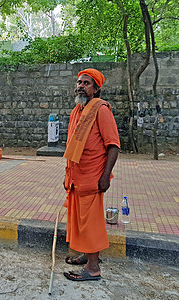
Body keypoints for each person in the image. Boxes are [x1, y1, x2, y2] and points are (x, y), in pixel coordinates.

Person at [62, 69, 120, 281]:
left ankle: (93, 268)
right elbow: (72, 147)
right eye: (79, 82)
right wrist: (67, 175)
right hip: (76, 178)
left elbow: (113, 146)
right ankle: (87, 257)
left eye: (87, 83)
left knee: (91, 224)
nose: (81, 86)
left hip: (93, 179)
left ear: (96, 89)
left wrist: (105, 177)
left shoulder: (101, 110)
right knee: (79, 222)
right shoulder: (76, 111)